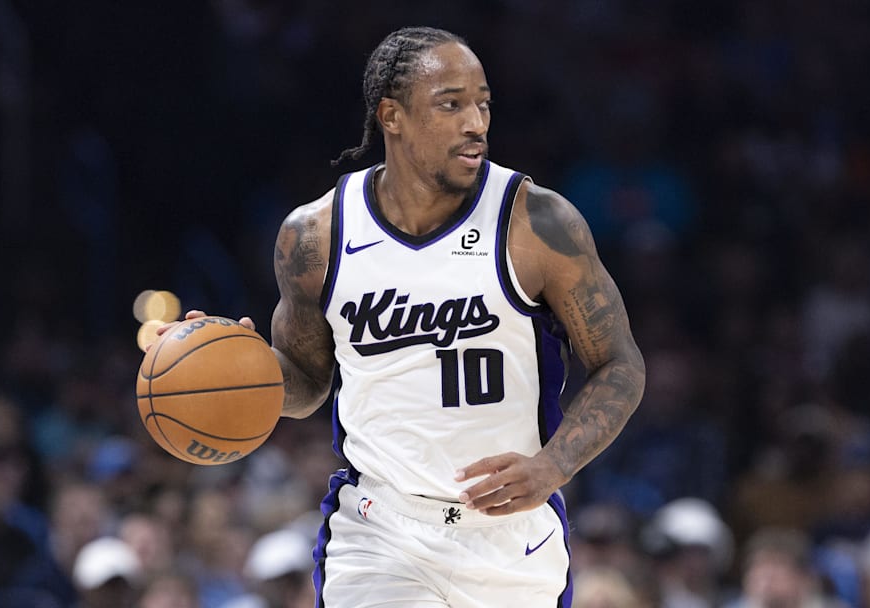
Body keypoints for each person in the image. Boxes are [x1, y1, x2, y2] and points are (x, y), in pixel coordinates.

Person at [160, 26, 645, 606]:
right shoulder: (317, 236)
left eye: (483, 103)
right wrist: (241, 369)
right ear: (392, 116)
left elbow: (619, 362)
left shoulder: (535, 223)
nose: (477, 123)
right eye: (452, 104)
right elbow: (307, 383)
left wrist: (555, 465)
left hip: (510, 537)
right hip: (381, 531)